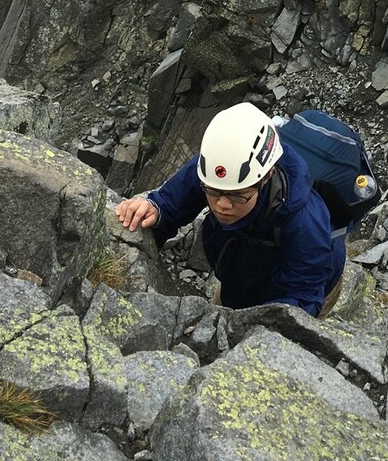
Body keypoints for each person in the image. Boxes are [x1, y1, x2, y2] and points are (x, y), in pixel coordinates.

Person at [115, 101, 346, 316]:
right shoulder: (214, 169)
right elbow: (171, 202)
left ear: (267, 177)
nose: (222, 205)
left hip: (309, 286)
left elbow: (302, 299)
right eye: (213, 192)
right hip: (240, 275)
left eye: (237, 195)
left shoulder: (304, 224)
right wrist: (155, 210)